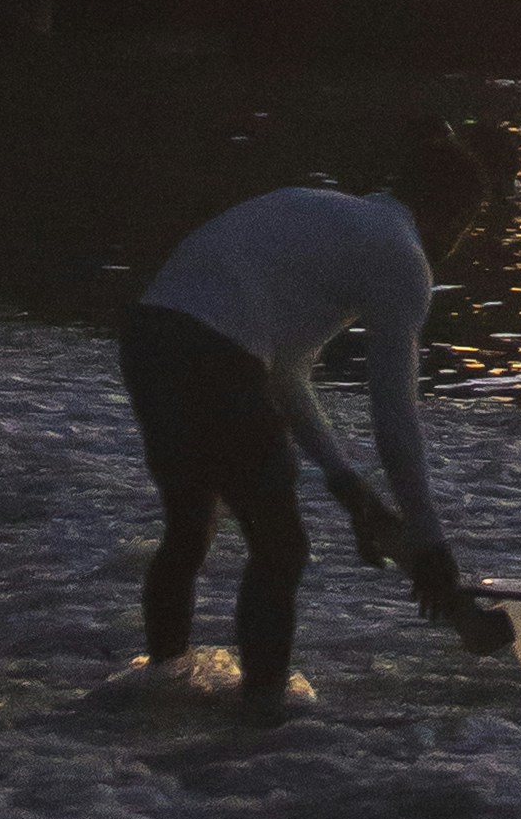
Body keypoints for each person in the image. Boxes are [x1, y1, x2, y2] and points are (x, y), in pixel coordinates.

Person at [119, 122, 495, 715]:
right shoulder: (401, 257)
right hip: (212, 355)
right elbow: (394, 416)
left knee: (190, 526)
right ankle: (263, 713)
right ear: (449, 214)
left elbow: (282, 372)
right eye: (466, 226)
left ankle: (163, 681)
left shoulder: (323, 214)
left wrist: (345, 481)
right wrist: (429, 539)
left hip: (148, 337)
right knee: (281, 547)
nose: (457, 243)